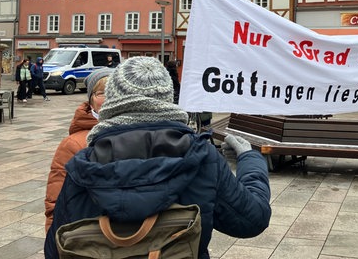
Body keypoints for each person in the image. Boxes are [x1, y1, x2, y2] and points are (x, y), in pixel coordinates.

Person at [44, 56, 271, 259]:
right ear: (166, 97)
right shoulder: (202, 156)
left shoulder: (84, 162)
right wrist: (251, 159)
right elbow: (252, 220)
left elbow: (55, 248)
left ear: (113, 100)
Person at [44, 68, 113, 232]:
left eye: (114, 92)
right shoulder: (73, 144)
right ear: (91, 101)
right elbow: (56, 201)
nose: (109, 98)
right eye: (102, 93)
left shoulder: (138, 135)